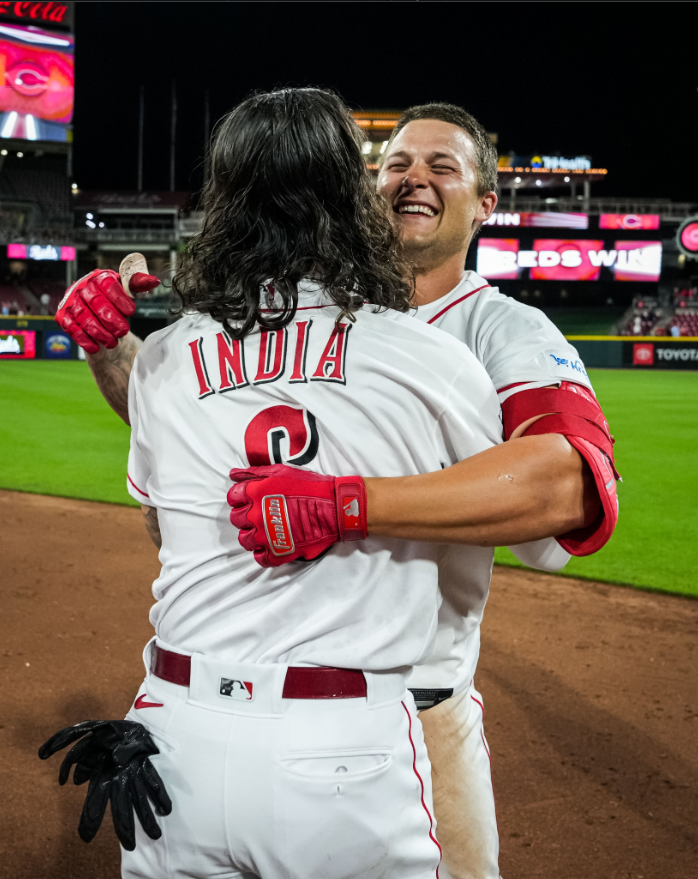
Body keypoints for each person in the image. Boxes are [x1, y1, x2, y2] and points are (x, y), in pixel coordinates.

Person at [54, 101, 618, 879]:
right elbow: (192, 478)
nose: (414, 178)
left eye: (443, 167)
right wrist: (113, 352)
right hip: (331, 728)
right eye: (395, 165)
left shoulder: (500, 334)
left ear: (488, 203)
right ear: (359, 192)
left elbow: (570, 487)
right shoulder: (287, 327)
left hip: (414, 698)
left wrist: (347, 502)